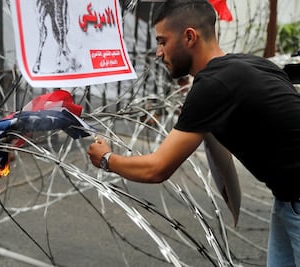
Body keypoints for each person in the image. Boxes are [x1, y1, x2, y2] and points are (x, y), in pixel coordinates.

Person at [87, 0, 300, 266]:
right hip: (287, 198)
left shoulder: (212, 86)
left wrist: (107, 159)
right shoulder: (251, 65)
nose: (158, 52)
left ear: (189, 37)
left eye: (163, 41)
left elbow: (157, 169)